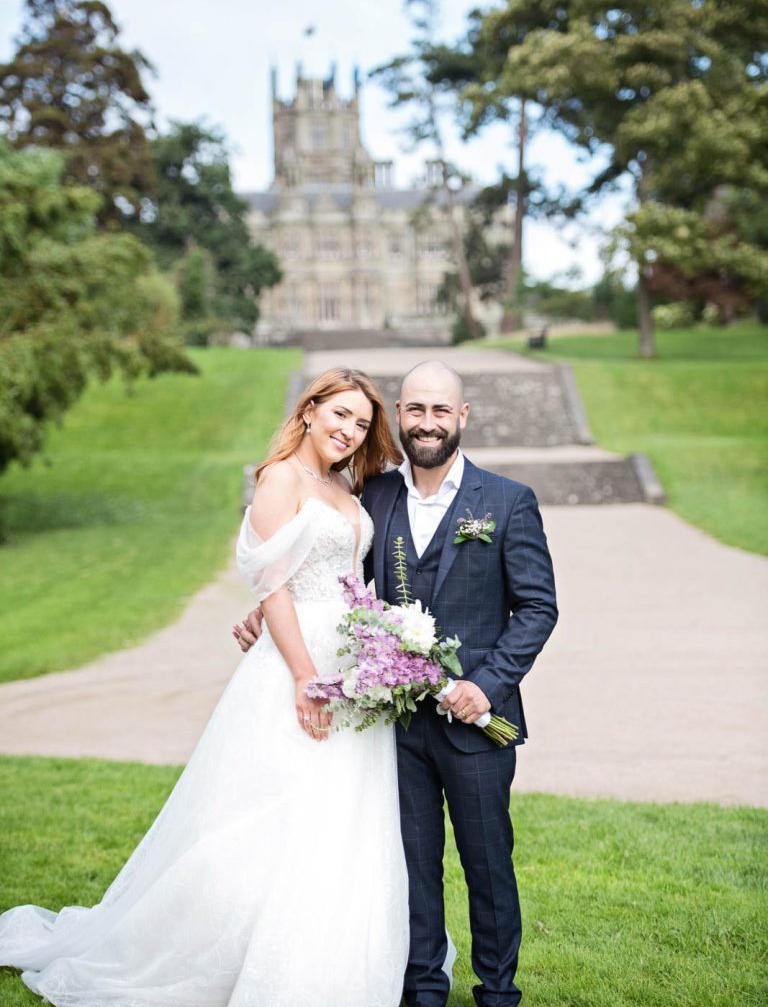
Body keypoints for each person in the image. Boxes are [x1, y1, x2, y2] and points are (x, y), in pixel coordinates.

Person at [0, 367, 409, 1007]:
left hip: (352, 668)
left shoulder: (340, 485)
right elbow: (272, 585)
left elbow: (336, 575)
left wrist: (380, 643)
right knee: (270, 812)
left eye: (361, 424)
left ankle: (325, 965)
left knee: (343, 816)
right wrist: (305, 677)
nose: (350, 432)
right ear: (309, 411)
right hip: (299, 668)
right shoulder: (278, 480)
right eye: (340, 415)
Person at [237, 360, 558, 1007]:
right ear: (402, 417)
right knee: (410, 864)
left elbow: (538, 607)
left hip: (474, 720)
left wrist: (487, 686)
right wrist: (266, 614)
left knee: (487, 864)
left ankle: (498, 992)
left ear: (461, 417)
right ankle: (422, 988)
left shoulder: (505, 501)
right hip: (394, 719)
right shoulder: (373, 494)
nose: (428, 423)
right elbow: (334, 577)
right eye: (416, 410)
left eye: (441, 411)